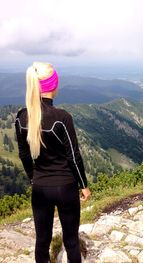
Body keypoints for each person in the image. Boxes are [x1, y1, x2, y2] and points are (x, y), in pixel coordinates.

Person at [15, 62, 91, 263]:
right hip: (65, 187)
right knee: (71, 241)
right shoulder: (62, 118)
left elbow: (24, 155)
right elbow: (73, 156)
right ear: (54, 86)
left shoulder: (22, 117)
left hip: (40, 187)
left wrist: (33, 177)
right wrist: (83, 185)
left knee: (42, 241)